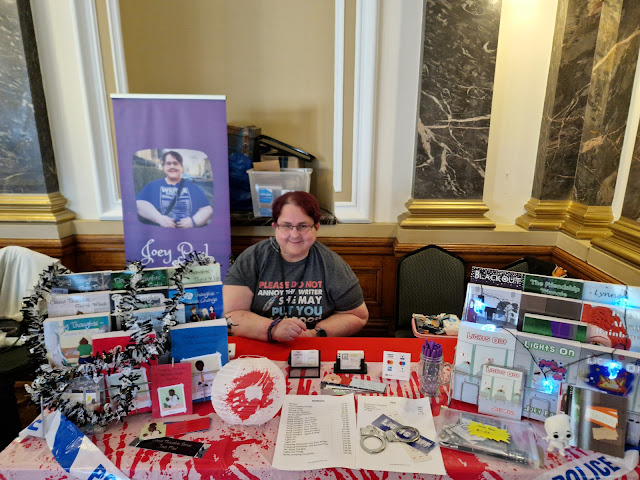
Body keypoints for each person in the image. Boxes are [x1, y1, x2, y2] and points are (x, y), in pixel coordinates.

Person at [224, 191, 368, 342]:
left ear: (316, 227)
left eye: (303, 226)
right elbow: (230, 315)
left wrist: (314, 334)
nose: (294, 234)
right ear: (275, 226)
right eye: (286, 226)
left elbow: (357, 316)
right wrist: (272, 329)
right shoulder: (252, 258)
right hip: (261, 345)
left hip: (313, 345)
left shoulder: (332, 264)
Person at [136, 150, 213, 228]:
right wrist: (159, 218)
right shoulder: (153, 185)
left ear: (182, 168)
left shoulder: (193, 187)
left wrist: (193, 222)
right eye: (168, 163)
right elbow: (139, 203)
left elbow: (206, 209)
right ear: (163, 167)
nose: (172, 166)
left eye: (176, 163)